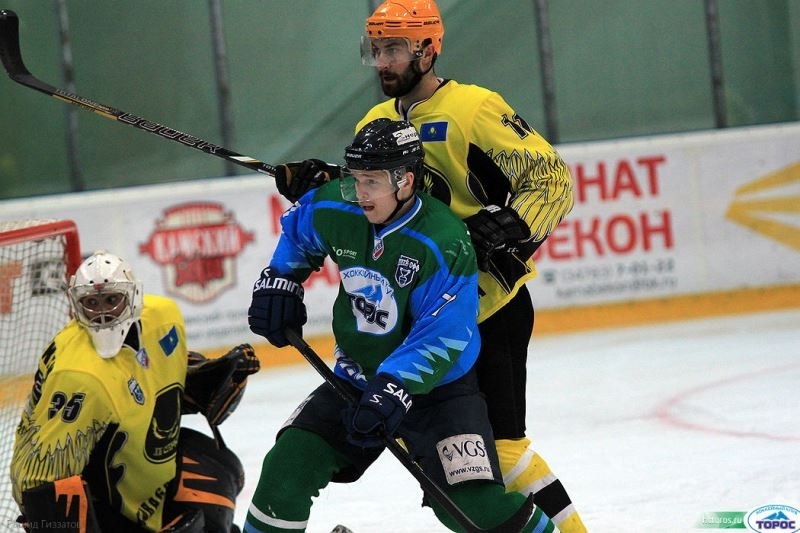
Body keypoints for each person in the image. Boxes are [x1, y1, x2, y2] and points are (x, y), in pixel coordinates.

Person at [273, 2, 585, 531]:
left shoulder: (472, 108)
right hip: (418, 320)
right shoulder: (375, 121)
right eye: (375, 50)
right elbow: (375, 195)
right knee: (457, 467)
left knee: (500, 454)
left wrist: (509, 224)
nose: (382, 62)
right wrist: (323, 181)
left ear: (427, 48)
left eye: (393, 49)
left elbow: (553, 179)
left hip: (489, 308)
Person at [246, 119, 555, 533]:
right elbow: (300, 232)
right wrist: (281, 279)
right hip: (357, 378)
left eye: (372, 182)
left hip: (439, 393)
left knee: (471, 505)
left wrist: (395, 384)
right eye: (356, 178)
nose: (360, 192)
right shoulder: (337, 205)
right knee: (288, 467)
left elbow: (444, 333)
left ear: (405, 180)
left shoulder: (443, 239)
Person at [10, 250, 260, 533]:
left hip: (143, 476)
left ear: (134, 296)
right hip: (102, 499)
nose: (103, 314)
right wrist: (49, 521)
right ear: (76, 305)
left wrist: (205, 378)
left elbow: (156, 381)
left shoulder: (163, 317)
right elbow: (37, 482)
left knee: (218, 473)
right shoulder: (80, 377)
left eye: (111, 300)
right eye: (91, 303)